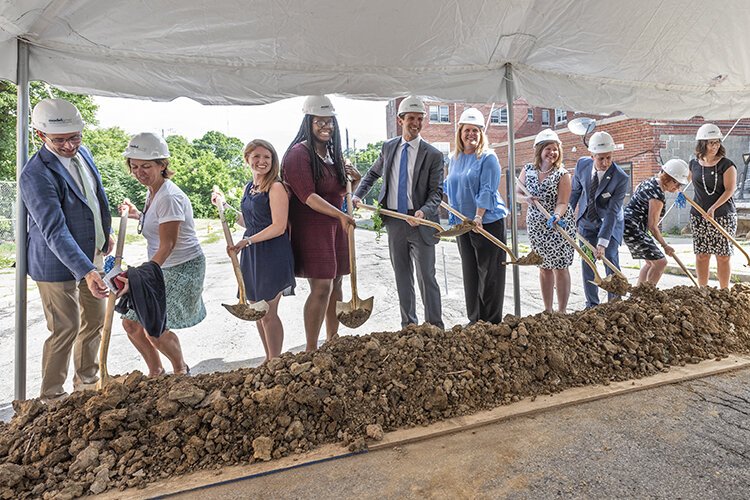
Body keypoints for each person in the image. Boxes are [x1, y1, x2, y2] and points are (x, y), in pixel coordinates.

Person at [20, 98, 113, 401]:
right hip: (54, 263)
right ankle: (51, 396)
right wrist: (86, 270)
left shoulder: (83, 153)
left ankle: (86, 385)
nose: (70, 145)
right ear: (40, 136)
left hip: (92, 254)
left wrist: (104, 234)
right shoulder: (35, 174)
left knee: (95, 321)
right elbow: (54, 230)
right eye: (60, 140)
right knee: (66, 327)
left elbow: (96, 197)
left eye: (75, 137)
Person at [353, 96, 444, 329]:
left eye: (419, 119)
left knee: (427, 277)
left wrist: (423, 212)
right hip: (395, 220)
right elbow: (372, 174)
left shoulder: (433, 154)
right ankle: (409, 326)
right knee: (402, 277)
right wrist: (357, 195)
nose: (415, 123)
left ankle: (434, 326)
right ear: (400, 119)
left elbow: (436, 193)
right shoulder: (388, 147)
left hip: (420, 222)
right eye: (411, 118)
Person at [118, 132, 205, 375]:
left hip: (182, 267)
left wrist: (139, 277)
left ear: (162, 164)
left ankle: (180, 371)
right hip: (161, 266)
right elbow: (157, 224)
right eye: (134, 166)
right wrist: (137, 214)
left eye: (146, 166)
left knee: (154, 326)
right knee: (131, 324)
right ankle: (156, 372)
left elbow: (167, 245)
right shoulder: (153, 190)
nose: (139, 172)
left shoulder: (169, 196)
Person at [281, 96, 358, 352]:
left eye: (330, 121)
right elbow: (308, 196)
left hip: (335, 228)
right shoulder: (298, 154)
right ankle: (311, 349)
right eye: (320, 121)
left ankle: (332, 341)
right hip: (312, 229)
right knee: (322, 286)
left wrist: (354, 182)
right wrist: (340, 215)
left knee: (336, 282)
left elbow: (339, 193)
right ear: (308, 122)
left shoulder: (331, 155)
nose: (326, 126)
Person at [212, 139, 295, 360]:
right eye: (256, 156)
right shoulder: (249, 187)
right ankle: (268, 358)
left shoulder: (276, 187)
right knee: (258, 313)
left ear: (273, 161)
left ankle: (275, 361)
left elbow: (278, 227)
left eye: (267, 157)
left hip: (272, 253)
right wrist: (223, 206)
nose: (261, 161)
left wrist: (246, 242)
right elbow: (247, 221)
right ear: (247, 159)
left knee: (268, 313)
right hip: (253, 254)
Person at [444, 108, 508, 323]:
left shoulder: (488, 157)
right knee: (470, 274)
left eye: (476, 130)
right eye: (467, 130)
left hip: (487, 223)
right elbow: (451, 188)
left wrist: (479, 216)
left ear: (482, 133)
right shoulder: (454, 158)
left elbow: (487, 189)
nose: (471, 134)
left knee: (489, 275)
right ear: (460, 132)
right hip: (464, 224)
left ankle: (490, 323)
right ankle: (475, 321)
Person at [569, 131, 629, 308]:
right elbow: (575, 192)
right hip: (586, 223)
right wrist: (568, 212)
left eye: (609, 158)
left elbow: (612, 212)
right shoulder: (582, 165)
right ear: (592, 155)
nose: (605, 163)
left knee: (610, 259)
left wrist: (602, 243)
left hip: (609, 225)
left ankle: (615, 305)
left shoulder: (620, 177)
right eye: (601, 158)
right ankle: (592, 305)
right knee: (588, 262)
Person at [517, 129, 575, 313]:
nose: (552, 153)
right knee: (543, 267)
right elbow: (517, 193)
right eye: (548, 149)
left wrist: (556, 216)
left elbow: (563, 201)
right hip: (536, 227)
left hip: (557, 225)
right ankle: (548, 309)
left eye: (555, 149)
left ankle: (562, 310)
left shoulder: (562, 174)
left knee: (560, 267)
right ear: (540, 150)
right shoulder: (528, 170)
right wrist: (525, 199)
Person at [623, 159, 689, 286]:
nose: (677, 188)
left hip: (629, 226)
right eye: (677, 184)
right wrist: (665, 246)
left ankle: (638, 295)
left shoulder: (650, 182)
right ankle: (647, 296)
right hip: (633, 228)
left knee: (650, 263)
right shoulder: (657, 195)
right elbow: (652, 226)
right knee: (660, 262)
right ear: (668, 178)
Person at [689, 123, 737, 288]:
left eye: (717, 142)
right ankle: (702, 290)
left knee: (723, 255)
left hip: (723, 215)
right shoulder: (693, 164)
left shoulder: (727, 165)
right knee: (702, 254)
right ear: (702, 144)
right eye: (711, 143)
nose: (715, 146)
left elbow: (730, 190)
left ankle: (724, 291)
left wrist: (714, 207)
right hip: (698, 216)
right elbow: (683, 180)